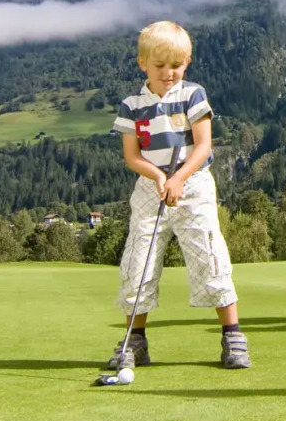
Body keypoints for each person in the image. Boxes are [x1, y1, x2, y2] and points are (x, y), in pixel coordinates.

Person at [106, 20, 250, 371]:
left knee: (209, 254)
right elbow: (132, 156)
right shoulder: (131, 106)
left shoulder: (192, 95)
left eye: (177, 65)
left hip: (194, 184)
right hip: (150, 188)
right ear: (142, 63)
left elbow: (203, 146)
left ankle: (232, 337)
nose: (169, 73)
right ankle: (134, 344)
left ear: (186, 63)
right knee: (138, 262)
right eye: (160, 66)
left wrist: (179, 178)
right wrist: (159, 177)